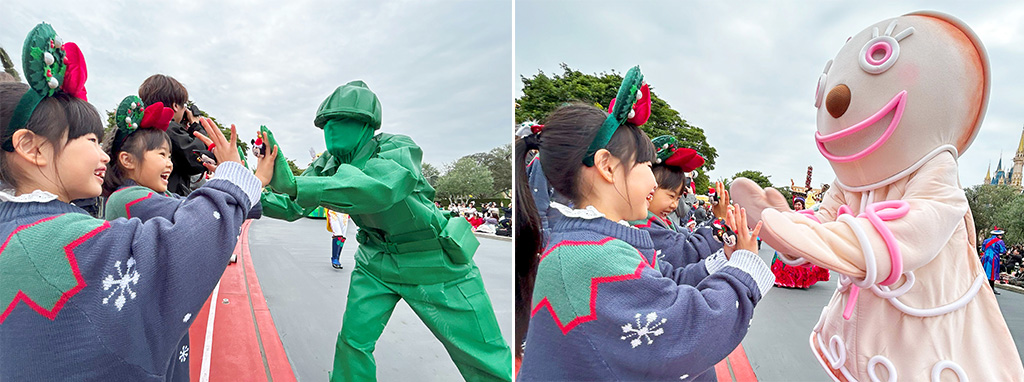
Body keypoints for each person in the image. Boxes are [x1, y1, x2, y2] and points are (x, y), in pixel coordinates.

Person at [730, 12, 1024, 379]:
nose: (835, 99)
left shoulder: (935, 171)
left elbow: (911, 232)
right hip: (861, 333)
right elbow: (826, 218)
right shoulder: (852, 179)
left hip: (920, 340)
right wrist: (789, 228)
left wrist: (794, 231)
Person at [0, 23, 265, 380]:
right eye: (90, 140)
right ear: (32, 148)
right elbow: (178, 246)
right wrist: (233, 181)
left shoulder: (20, 226)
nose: (103, 154)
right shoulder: (78, 229)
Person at [515, 67, 773, 381]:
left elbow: (666, 281)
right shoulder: (590, 256)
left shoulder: (593, 244)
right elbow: (681, 333)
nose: (653, 179)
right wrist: (743, 271)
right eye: (646, 165)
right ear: (607, 166)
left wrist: (725, 260)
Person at [259, 80, 510, 381]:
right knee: (353, 344)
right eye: (327, 123)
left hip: (434, 261)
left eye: (343, 120)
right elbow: (291, 205)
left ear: (367, 124)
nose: (332, 129)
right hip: (375, 260)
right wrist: (242, 187)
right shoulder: (328, 163)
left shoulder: (398, 148)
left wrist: (296, 185)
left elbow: (377, 188)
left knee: (483, 357)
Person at [100, 95, 275, 381]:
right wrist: (239, 179)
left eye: (170, 156)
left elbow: (224, 206)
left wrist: (236, 180)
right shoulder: (127, 199)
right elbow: (200, 216)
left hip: (157, 320)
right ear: (127, 160)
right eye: (161, 155)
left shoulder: (154, 195)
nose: (169, 163)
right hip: (146, 327)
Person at [138, 74, 212, 196]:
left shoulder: (140, 126)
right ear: (175, 106)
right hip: (165, 197)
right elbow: (199, 158)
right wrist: (196, 126)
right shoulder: (167, 127)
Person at [766, 196, 830, 288]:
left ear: (802, 206)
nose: (797, 206)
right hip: (788, 240)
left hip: (801, 241)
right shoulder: (790, 213)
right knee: (781, 260)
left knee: (800, 263)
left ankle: (800, 282)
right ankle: (782, 280)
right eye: (796, 204)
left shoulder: (806, 216)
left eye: (799, 204)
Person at [982, 228, 1007, 295]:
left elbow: (983, 249)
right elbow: (1003, 250)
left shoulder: (986, 240)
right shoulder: (1000, 242)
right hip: (994, 258)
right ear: (998, 235)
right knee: (992, 273)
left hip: (985, 258)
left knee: (984, 271)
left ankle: (983, 287)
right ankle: (991, 288)